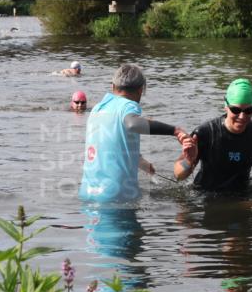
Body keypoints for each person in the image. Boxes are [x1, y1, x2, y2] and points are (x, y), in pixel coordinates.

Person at [80, 64, 187, 202]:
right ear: (141, 90)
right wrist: (174, 130)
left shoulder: (97, 109)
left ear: (113, 86)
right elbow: (132, 124)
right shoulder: (127, 105)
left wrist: (141, 162)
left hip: (87, 193)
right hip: (116, 196)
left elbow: (110, 144)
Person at [174, 78, 252, 192]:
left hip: (242, 195)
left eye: (248, 111)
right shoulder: (205, 133)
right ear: (226, 105)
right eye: (235, 110)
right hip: (205, 194)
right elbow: (179, 175)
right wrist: (189, 161)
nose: (242, 116)